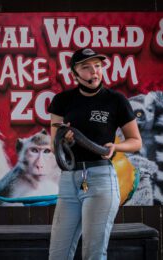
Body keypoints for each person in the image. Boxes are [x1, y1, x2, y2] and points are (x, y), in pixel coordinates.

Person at [48, 48, 142, 260]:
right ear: (74, 73)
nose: (94, 72)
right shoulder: (62, 100)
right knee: (57, 254)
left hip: (101, 179)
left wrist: (115, 147)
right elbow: (55, 145)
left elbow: (136, 142)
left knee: (93, 253)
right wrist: (65, 141)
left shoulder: (116, 100)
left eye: (97, 66)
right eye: (86, 67)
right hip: (69, 181)